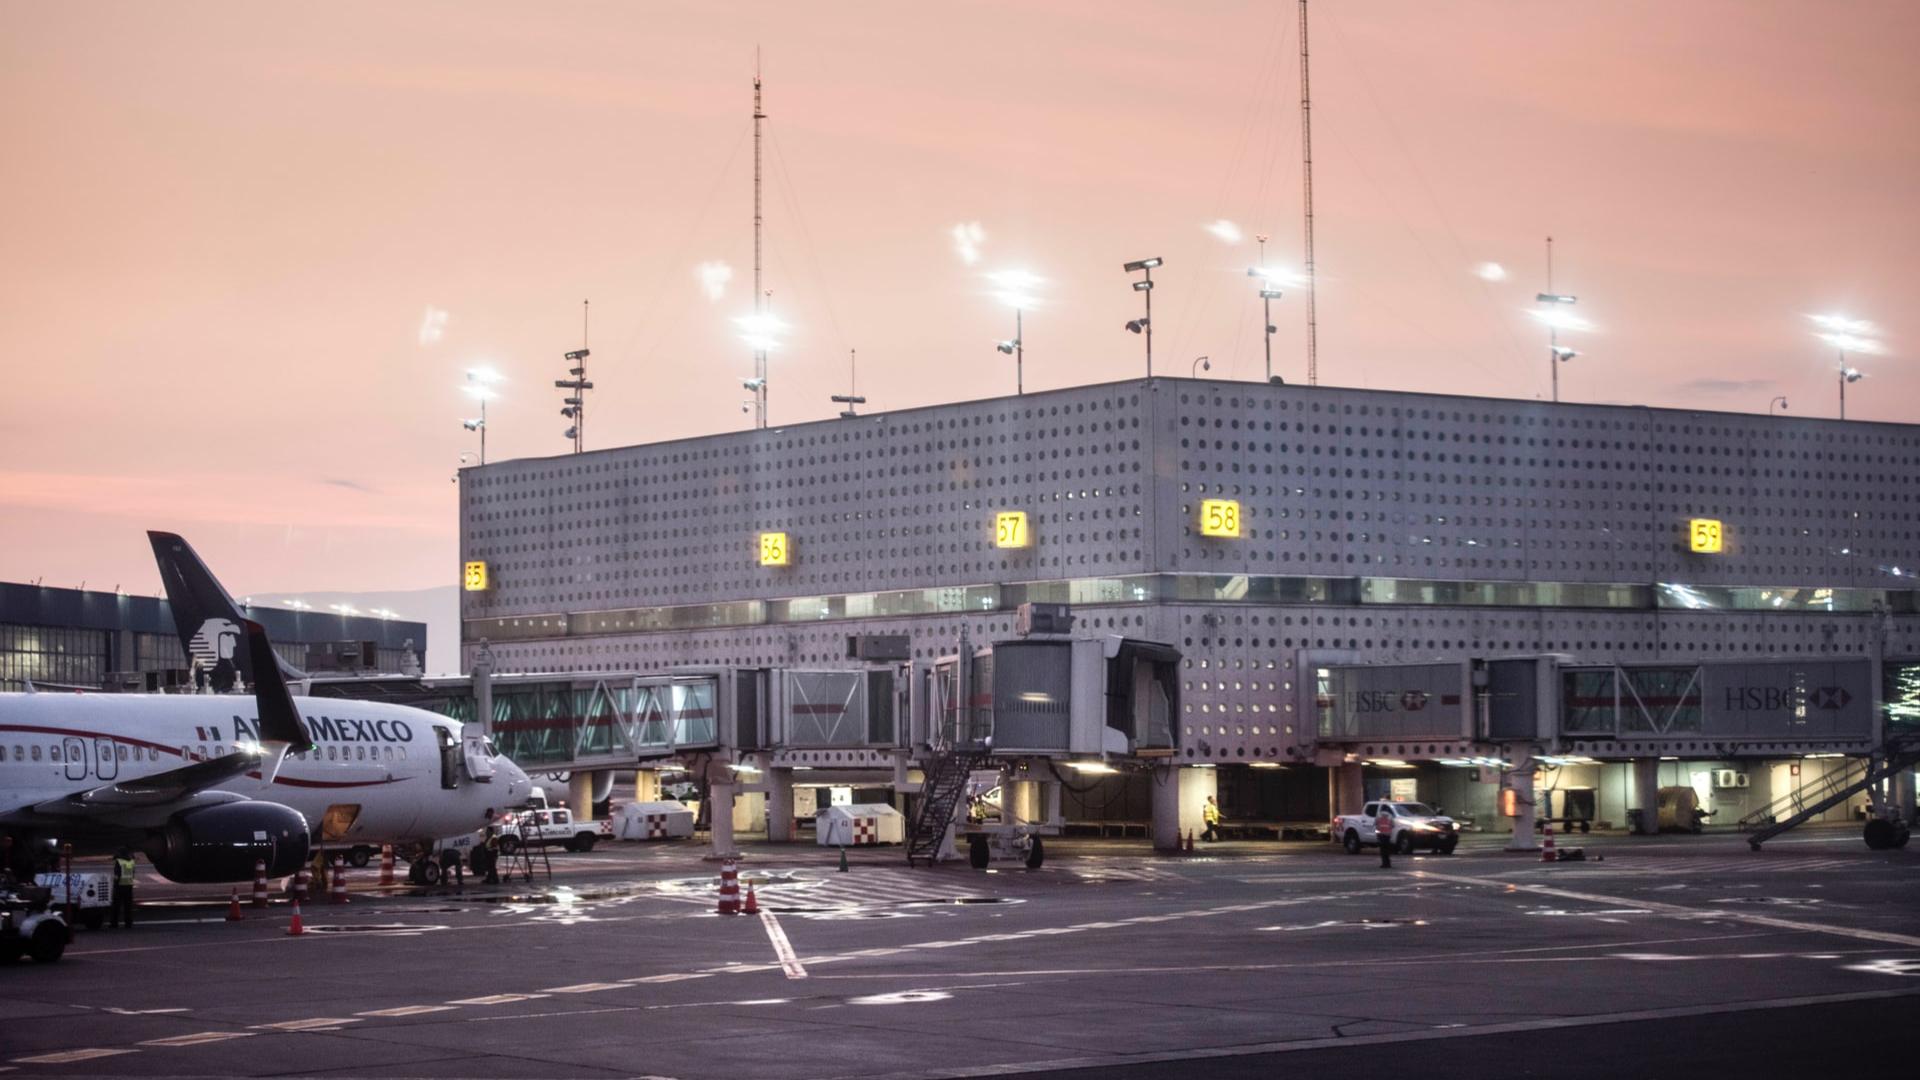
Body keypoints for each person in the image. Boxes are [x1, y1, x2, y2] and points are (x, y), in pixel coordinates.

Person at [110, 846, 138, 928]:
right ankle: (128, 923)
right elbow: (132, 874)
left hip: (120, 886)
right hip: (129, 886)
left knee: (116, 906)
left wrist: (115, 884)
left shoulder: (119, 862)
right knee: (128, 906)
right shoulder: (131, 862)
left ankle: (114, 923)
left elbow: (117, 875)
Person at [1376, 804, 1396, 869]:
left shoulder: (1378, 816)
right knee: (1387, 850)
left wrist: (1377, 834)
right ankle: (1388, 863)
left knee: (1382, 850)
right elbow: (1393, 825)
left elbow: (1376, 825)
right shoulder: (1390, 816)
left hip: (1381, 835)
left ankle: (1384, 863)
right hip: (1388, 835)